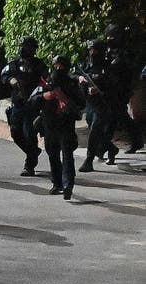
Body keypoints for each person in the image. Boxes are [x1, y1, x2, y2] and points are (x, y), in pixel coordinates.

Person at [29, 56, 84, 200]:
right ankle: (57, 182)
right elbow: (32, 100)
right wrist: (45, 96)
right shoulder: (47, 83)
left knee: (67, 155)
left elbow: (81, 103)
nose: (59, 68)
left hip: (66, 124)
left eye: (62, 66)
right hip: (50, 124)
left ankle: (68, 185)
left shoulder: (72, 84)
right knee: (52, 154)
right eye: (56, 65)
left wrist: (68, 102)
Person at [1, 36, 47, 176]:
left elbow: (47, 80)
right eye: (21, 46)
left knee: (29, 134)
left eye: (25, 46)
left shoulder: (39, 65)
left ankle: (30, 164)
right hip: (18, 105)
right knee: (16, 133)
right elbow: (4, 75)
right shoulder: (14, 64)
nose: (22, 49)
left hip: (32, 105)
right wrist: (11, 80)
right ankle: (33, 152)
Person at [76, 39, 115, 172]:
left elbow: (114, 86)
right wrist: (79, 79)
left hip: (104, 105)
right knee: (97, 132)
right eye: (91, 50)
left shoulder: (107, 67)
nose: (92, 53)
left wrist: (99, 89)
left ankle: (89, 160)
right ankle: (111, 148)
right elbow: (73, 74)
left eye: (95, 50)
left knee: (94, 131)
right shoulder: (86, 66)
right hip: (90, 105)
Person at [104, 24, 143, 154]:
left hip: (121, 88)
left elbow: (130, 69)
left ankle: (104, 145)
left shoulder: (126, 52)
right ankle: (135, 141)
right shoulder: (109, 51)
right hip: (111, 88)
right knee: (118, 115)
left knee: (116, 115)